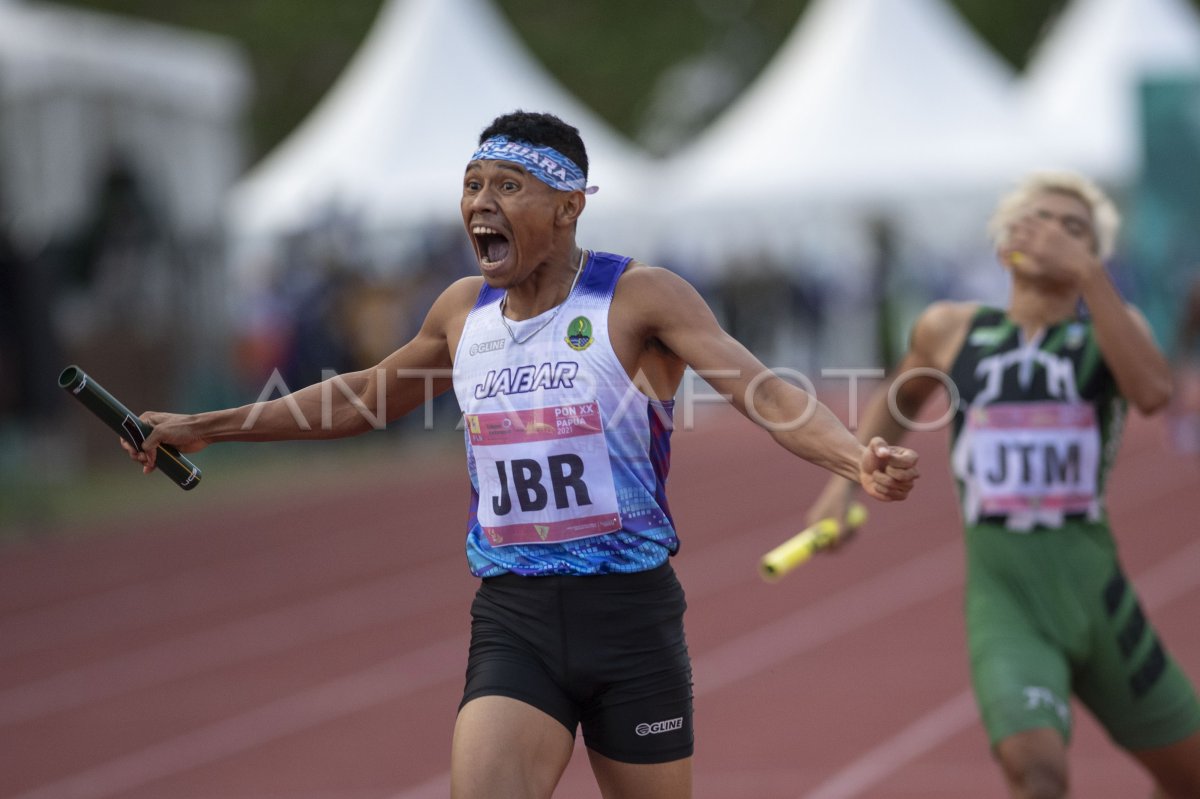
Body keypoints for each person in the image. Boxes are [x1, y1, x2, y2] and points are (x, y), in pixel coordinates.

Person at [122, 110, 919, 799]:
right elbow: (360, 394)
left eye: (506, 186)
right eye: (472, 186)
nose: (480, 204)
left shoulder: (639, 297)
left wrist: (855, 459)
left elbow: (764, 391)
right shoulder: (461, 311)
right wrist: (210, 424)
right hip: (516, 614)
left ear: (567, 205)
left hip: (630, 615)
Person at [806, 170, 1200, 799]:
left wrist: (1090, 278)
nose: (1057, 235)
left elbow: (1154, 393)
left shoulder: (1109, 331)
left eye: (1077, 230)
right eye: (1042, 220)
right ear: (1006, 244)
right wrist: (847, 477)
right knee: (1036, 773)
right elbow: (900, 399)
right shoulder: (952, 329)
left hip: (1102, 603)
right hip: (1008, 605)